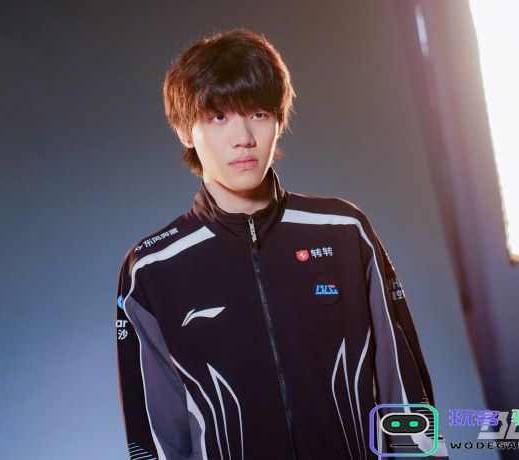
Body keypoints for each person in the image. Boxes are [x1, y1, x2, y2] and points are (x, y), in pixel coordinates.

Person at [115, 28, 449, 460]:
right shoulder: (152, 269)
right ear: (184, 129)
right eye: (218, 117)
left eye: (257, 113)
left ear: (279, 119)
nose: (243, 137)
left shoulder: (344, 231)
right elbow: (156, 436)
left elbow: (403, 389)